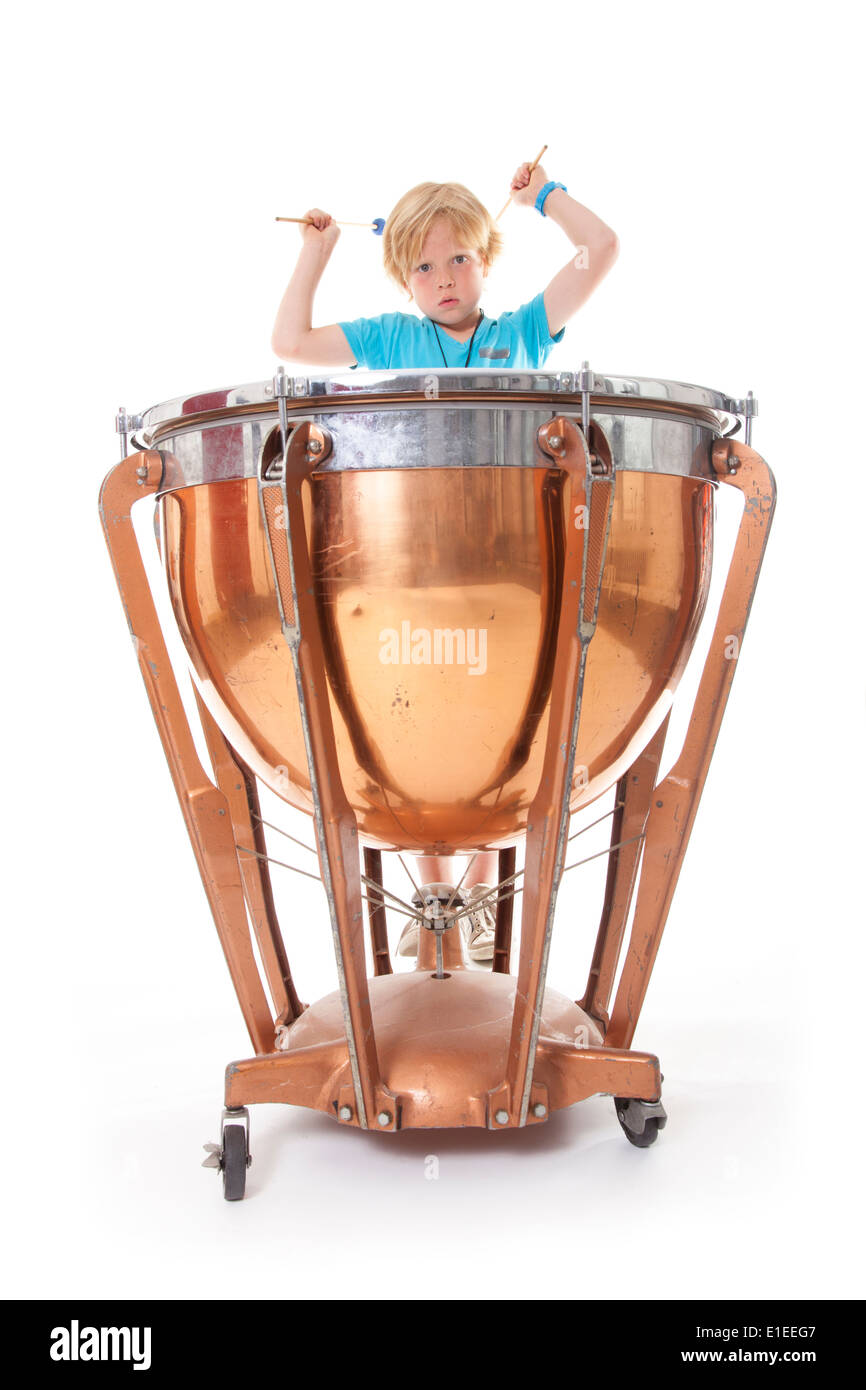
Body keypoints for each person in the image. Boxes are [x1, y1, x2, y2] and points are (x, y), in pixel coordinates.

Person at [271, 160, 620, 960]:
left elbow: (600, 248)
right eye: (423, 267)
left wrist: (544, 198)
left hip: (512, 565)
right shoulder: (393, 337)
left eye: (459, 258)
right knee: (424, 719)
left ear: (486, 257)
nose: (444, 279)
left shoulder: (522, 334)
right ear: (403, 279)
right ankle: (441, 892)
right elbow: (288, 343)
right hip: (415, 567)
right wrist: (315, 258)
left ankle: (471, 893)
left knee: (498, 718)